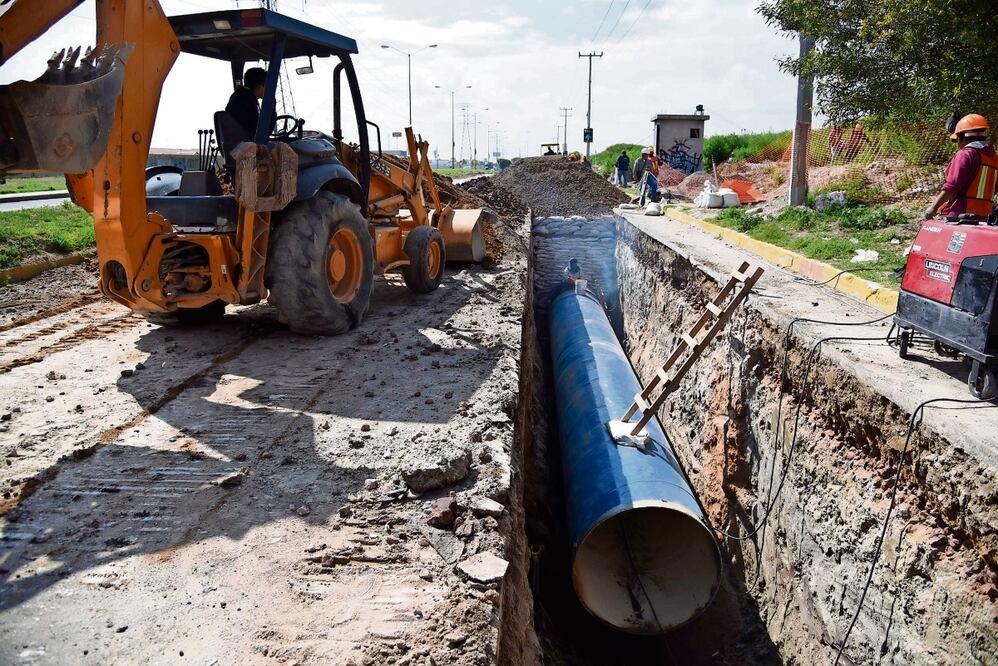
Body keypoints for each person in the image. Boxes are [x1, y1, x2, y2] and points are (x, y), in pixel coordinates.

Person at [925, 114, 997, 221]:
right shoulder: (994, 158)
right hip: (984, 216)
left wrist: (933, 208)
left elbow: (952, 187)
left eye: (957, 140)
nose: (958, 144)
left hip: (961, 214)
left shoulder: (966, 155)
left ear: (963, 138)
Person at [225, 67, 268, 139]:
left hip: (240, 144)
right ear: (260, 87)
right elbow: (262, 132)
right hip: (248, 145)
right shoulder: (247, 101)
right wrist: (272, 110)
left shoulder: (239, 96)